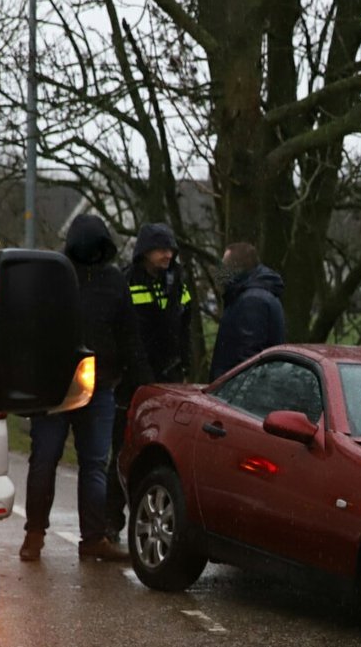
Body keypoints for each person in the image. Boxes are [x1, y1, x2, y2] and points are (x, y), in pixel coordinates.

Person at [19, 214, 148, 563]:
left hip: (84, 385)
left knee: (66, 461)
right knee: (68, 462)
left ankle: (74, 536)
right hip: (71, 385)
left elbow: (128, 334)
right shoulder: (81, 278)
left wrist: (141, 381)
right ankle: (46, 533)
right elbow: (128, 335)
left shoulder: (65, 277)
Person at [107, 221, 193, 538]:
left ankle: (147, 522)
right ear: (145, 252)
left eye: (170, 249)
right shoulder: (128, 282)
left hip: (169, 378)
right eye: (161, 249)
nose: (167, 255)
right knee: (123, 449)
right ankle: (111, 521)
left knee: (162, 450)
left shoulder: (178, 282)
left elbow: (185, 328)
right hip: (133, 381)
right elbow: (127, 336)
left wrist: (184, 367)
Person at [208, 241, 285, 381]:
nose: (221, 272)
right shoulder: (253, 294)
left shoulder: (252, 300)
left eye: (224, 266)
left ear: (235, 268)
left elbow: (248, 358)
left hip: (240, 391)